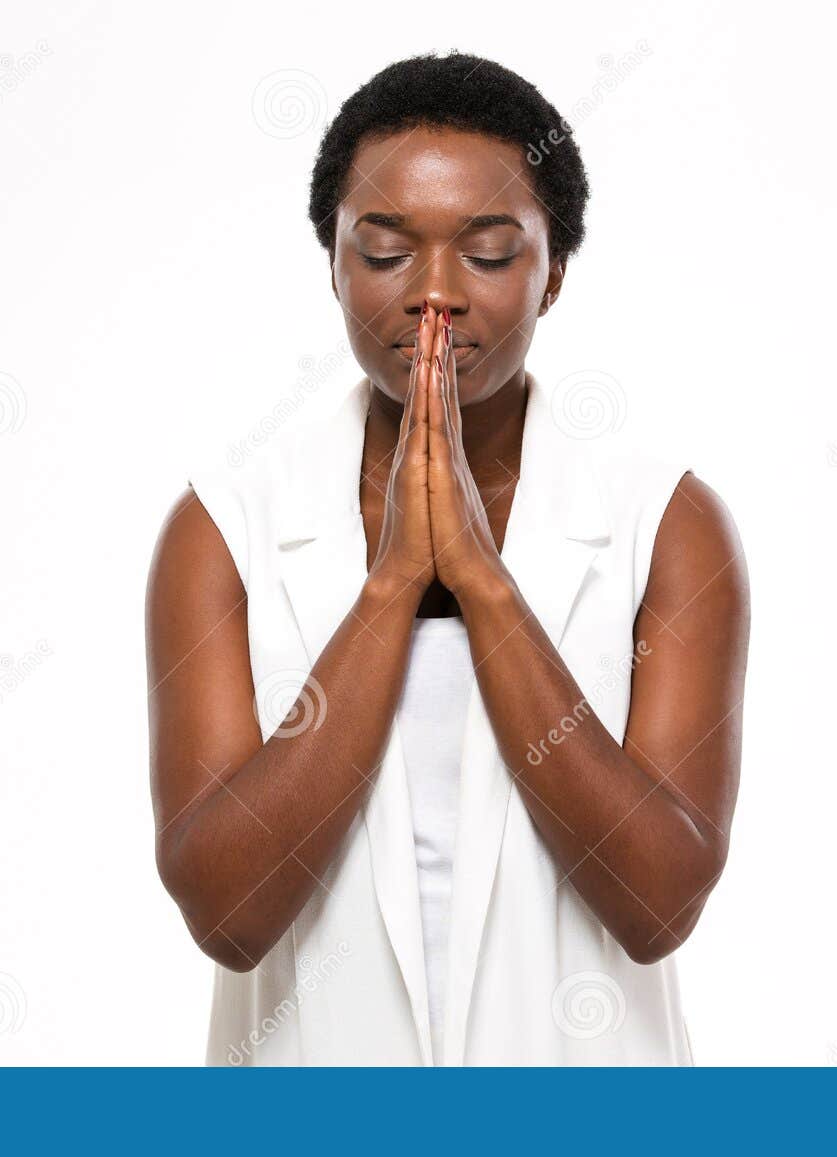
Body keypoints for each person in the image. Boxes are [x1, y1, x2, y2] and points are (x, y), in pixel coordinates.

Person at [146, 51, 749, 1065]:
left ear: (552, 271)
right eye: (383, 252)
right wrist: (390, 585)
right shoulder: (223, 527)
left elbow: (656, 900)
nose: (434, 296)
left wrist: (479, 578)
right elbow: (228, 909)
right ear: (333, 264)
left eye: (488, 251)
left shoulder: (667, 521)